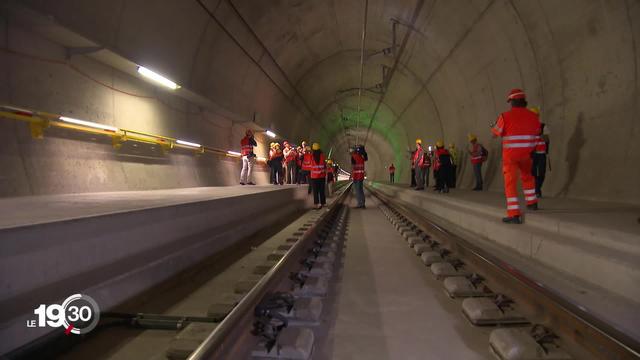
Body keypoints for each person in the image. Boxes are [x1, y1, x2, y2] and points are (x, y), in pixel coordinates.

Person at [492, 88, 542, 224]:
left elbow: (496, 132)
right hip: (527, 154)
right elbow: (537, 134)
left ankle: (514, 214)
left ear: (512, 102)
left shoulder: (505, 116)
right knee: (528, 177)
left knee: (510, 183)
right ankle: (532, 202)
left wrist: (495, 128)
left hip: (511, 156)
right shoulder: (534, 117)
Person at [530, 107, 549, 198]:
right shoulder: (527, 127)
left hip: (541, 153)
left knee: (541, 173)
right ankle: (536, 190)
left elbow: (546, 139)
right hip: (532, 154)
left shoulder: (543, 126)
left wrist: (538, 133)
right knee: (532, 173)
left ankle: (537, 189)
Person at [309, 143, 327, 209]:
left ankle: (317, 204)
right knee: (322, 190)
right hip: (322, 176)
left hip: (314, 177)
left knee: (315, 191)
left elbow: (310, 165)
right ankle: (323, 203)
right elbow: (324, 166)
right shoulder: (323, 156)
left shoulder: (311, 156)